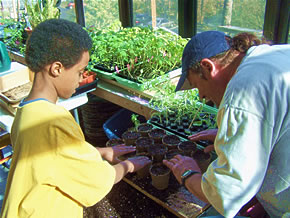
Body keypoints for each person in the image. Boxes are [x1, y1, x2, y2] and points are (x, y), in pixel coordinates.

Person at [1, 19, 151, 218]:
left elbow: (52, 158)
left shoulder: (26, 112)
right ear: (56, 69)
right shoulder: (52, 122)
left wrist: (102, 151)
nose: (82, 79)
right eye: (80, 72)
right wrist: (129, 165)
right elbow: (98, 179)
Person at [163, 31, 290, 217]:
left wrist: (187, 175)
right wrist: (233, 135)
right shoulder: (275, 55)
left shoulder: (242, 91)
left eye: (197, 85)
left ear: (208, 67)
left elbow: (225, 194)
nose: (201, 96)